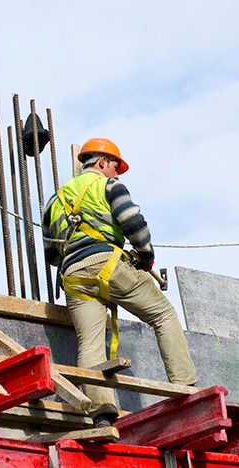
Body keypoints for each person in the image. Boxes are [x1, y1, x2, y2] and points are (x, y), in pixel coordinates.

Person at [42, 137, 197, 428]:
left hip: (73, 276)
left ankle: (101, 414)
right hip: (109, 265)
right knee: (163, 315)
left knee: (90, 344)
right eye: (115, 167)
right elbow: (134, 223)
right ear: (101, 163)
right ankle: (186, 387)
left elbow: (51, 254)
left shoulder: (54, 201)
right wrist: (146, 257)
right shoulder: (108, 186)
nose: (116, 173)